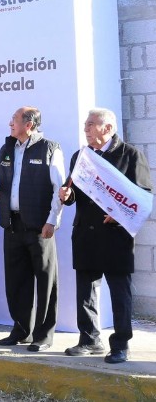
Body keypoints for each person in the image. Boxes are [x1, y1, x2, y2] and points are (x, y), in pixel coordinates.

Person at [59, 108, 152, 364]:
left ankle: (121, 344)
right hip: (86, 234)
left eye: (90, 125)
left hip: (115, 236)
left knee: (119, 293)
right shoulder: (81, 155)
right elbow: (73, 189)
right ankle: (89, 340)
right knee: (86, 291)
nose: (86, 129)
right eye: (85, 125)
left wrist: (120, 215)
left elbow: (143, 195)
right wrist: (67, 196)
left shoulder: (131, 155)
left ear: (107, 128)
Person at [0, 106, 66, 352]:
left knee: (45, 282)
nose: (10, 124)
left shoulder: (50, 148)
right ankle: (21, 329)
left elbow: (59, 188)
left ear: (28, 124)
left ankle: (43, 335)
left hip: (39, 227)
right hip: (12, 225)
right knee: (16, 282)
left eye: (14, 120)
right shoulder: (6, 148)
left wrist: (52, 220)